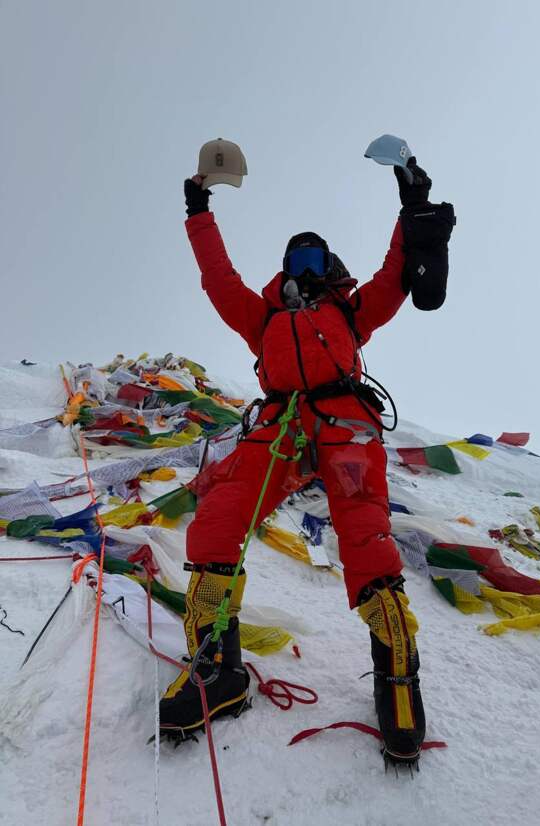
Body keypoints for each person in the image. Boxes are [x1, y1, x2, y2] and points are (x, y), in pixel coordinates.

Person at [160, 158, 455, 765]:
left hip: (343, 420)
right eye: (295, 262)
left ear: (330, 270)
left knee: (365, 537)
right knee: (215, 522)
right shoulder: (264, 317)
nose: (305, 271)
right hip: (278, 426)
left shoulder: (350, 310)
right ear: (283, 273)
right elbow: (220, 279)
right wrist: (198, 211)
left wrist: (410, 205)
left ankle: (397, 678)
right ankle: (218, 673)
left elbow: (396, 274)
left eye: (314, 261)